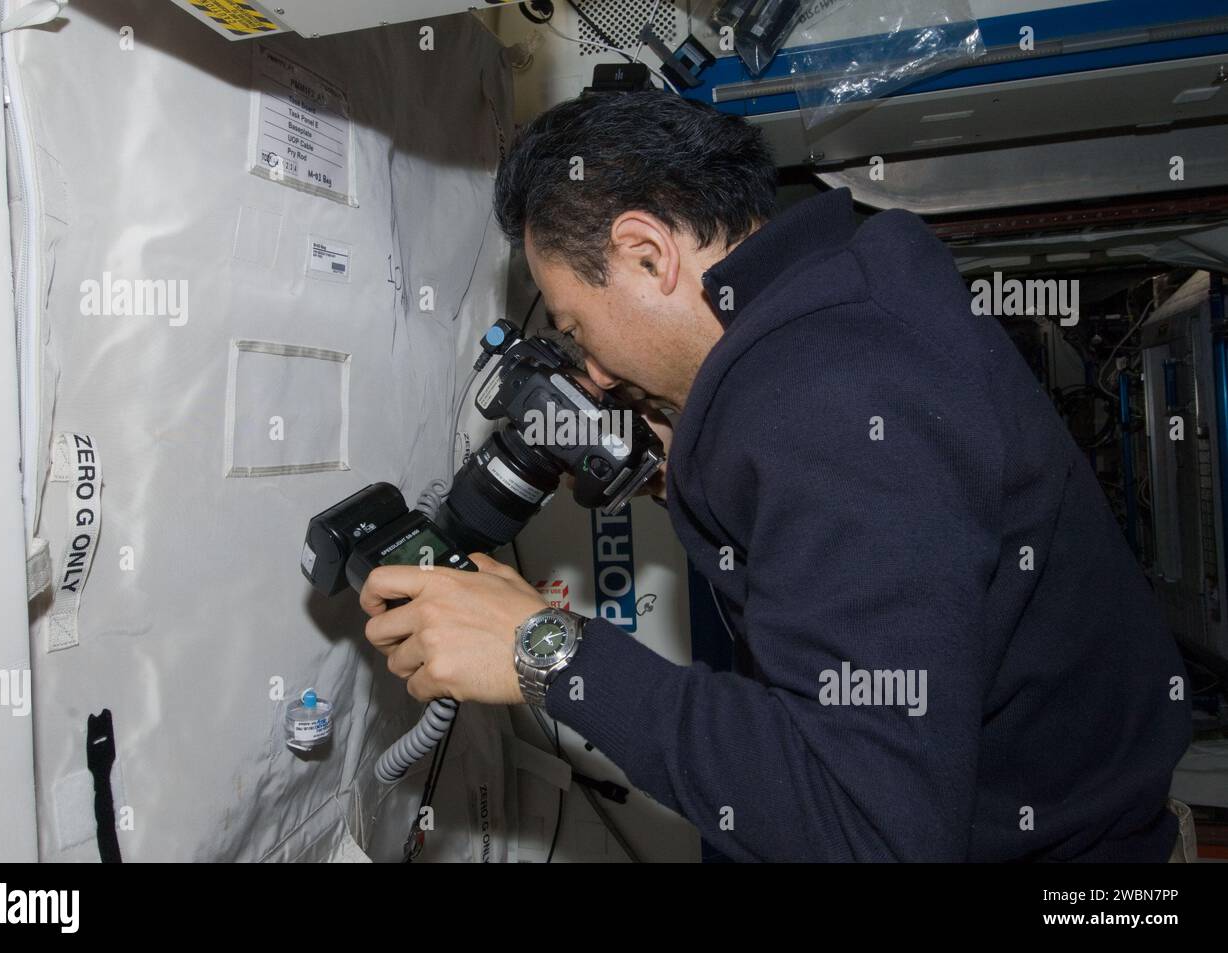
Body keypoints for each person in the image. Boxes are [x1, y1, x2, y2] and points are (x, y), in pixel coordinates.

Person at [359, 89, 1191, 861]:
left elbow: (866, 827)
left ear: (648, 253)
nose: (596, 374)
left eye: (578, 326)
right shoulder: (842, 304)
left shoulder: (834, 411)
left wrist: (546, 651)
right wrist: (696, 467)